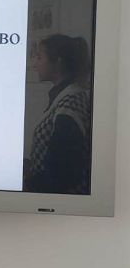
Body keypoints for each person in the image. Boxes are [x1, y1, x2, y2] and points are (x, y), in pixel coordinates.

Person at [25, 34, 92, 194]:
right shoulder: (63, 97)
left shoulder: (69, 106)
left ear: (58, 62)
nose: (35, 64)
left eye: (40, 57)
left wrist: (25, 185)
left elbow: (61, 174)